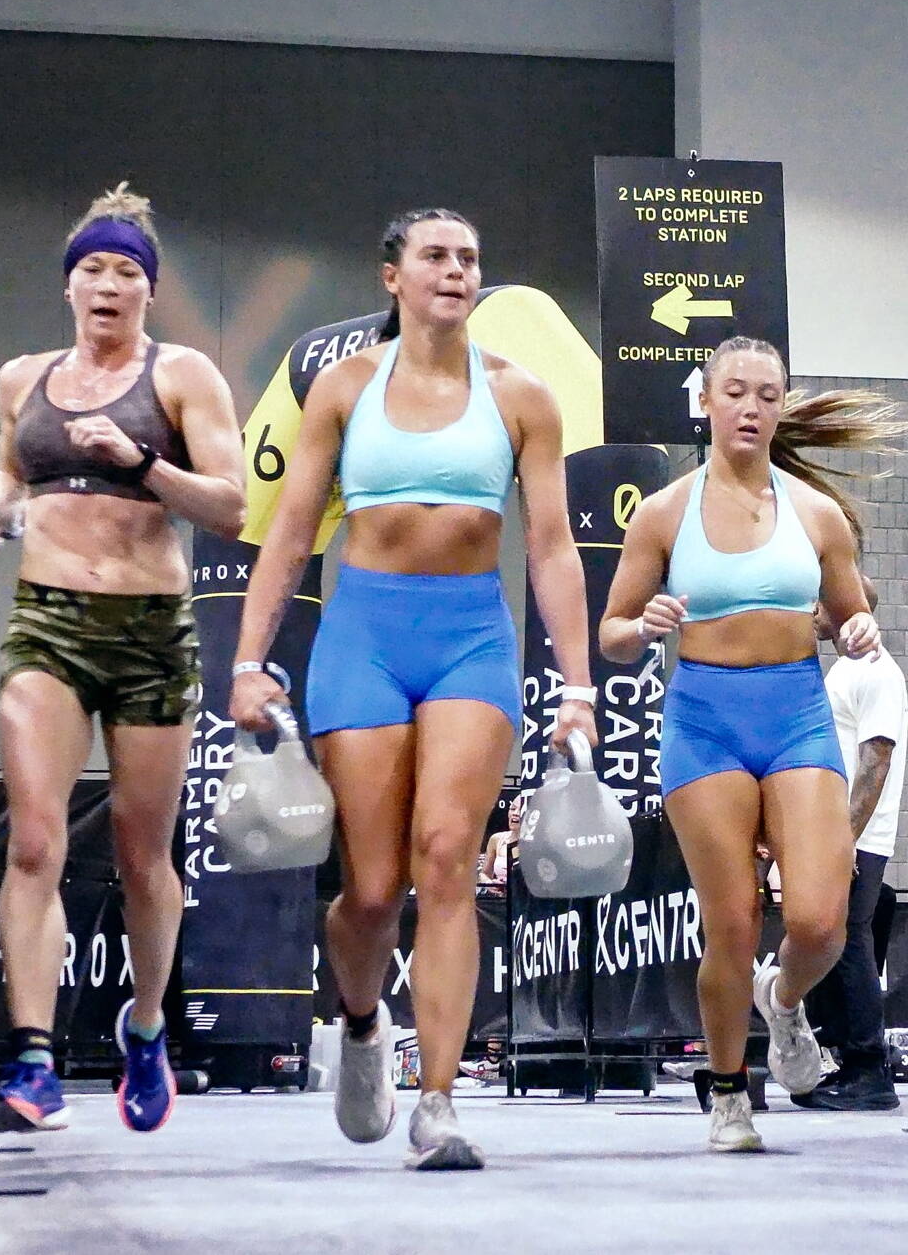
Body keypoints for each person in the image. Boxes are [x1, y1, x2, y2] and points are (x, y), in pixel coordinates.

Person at [229, 209, 596, 1171]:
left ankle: (437, 1102)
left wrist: (579, 683)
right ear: (392, 276)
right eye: (435, 255)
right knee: (372, 890)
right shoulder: (346, 388)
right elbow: (290, 529)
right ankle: (359, 1025)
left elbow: (553, 547)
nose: (456, 270)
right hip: (364, 638)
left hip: (471, 637)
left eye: (470, 257)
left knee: (445, 858)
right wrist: (246, 660)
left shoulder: (521, 398)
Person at [0, 184, 246, 1134]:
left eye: (127, 271)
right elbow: (12, 468)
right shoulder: (21, 378)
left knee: (141, 857)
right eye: (93, 269)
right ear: (70, 286)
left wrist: (139, 460)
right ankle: (33, 1062)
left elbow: (232, 507)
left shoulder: (183, 377)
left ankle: (149, 1025)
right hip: (46, 621)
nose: (108, 285)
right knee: (36, 840)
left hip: (149, 628)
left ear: (149, 292)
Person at [599, 336, 907, 1153]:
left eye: (767, 394)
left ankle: (786, 999)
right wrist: (644, 622)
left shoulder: (816, 514)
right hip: (706, 721)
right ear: (705, 400)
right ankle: (731, 1091)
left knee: (819, 919)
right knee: (731, 920)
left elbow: (848, 622)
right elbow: (612, 635)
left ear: (781, 405)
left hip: (797, 713)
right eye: (734, 391)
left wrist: (860, 628)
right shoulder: (665, 512)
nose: (750, 407)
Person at [792, 576, 907, 1112]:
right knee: (834, 943)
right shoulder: (843, 671)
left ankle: (869, 1069)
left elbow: (875, 761)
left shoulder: (875, 670)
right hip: (836, 830)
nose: (811, 611)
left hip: (857, 835)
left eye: (819, 601)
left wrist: (845, 839)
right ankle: (848, 1060)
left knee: (849, 942)